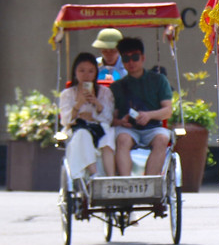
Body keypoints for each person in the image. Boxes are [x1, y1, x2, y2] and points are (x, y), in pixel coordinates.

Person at [109, 36, 173, 177]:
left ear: (142, 57)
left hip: (153, 127)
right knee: (122, 139)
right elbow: (111, 119)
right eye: (126, 59)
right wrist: (121, 121)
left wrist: (149, 115)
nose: (131, 62)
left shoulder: (158, 80)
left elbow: (168, 110)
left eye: (135, 57)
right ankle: (126, 182)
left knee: (162, 138)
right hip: (128, 129)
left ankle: (149, 182)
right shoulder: (116, 87)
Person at [58, 52, 115, 179]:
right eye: (81, 71)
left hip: (99, 127)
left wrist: (96, 104)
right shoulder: (67, 94)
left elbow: (108, 117)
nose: (86, 75)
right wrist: (79, 104)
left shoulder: (105, 92)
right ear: (75, 72)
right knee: (83, 135)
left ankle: (111, 177)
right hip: (77, 128)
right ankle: (94, 173)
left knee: (108, 136)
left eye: (90, 71)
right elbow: (66, 120)